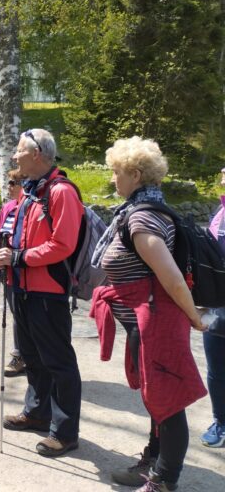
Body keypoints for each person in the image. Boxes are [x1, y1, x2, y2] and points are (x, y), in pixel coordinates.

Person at [89, 136, 207, 491]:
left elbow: (171, 278)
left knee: (168, 399)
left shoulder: (142, 220)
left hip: (159, 320)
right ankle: (152, 461)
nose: (113, 179)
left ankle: (162, 480)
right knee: (156, 395)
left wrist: (196, 318)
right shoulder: (137, 212)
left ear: (135, 175)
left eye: (116, 172)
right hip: (146, 319)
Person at [0, 128, 83, 458]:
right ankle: (37, 413)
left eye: (19, 151)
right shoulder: (32, 191)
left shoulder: (61, 192)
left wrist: (20, 258)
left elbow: (63, 244)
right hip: (21, 286)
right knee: (32, 357)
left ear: (38, 154)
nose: (14, 156)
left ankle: (64, 432)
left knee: (58, 362)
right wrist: (4, 252)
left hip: (47, 291)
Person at [199, 166, 225, 448]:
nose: (222, 170)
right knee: (217, 370)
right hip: (217, 305)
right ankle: (221, 421)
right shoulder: (220, 212)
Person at [0, 170, 25, 377]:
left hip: (27, 269)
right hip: (8, 272)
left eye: (14, 183)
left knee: (29, 315)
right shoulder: (7, 208)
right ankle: (20, 355)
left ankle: (29, 355)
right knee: (17, 314)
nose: (9, 186)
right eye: (9, 182)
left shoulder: (30, 207)